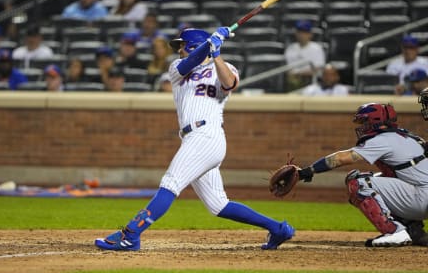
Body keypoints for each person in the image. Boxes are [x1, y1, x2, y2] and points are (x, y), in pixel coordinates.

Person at [95, 27, 295, 251]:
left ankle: (130, 235)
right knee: (218, 205)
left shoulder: (226, 67)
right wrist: (210, 44)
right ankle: (278, 228)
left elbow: (229, 84)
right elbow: (187, 63)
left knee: (170, 183)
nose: (179, 49)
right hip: (195, 138)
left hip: (206, 136)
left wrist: (216, 53)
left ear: (191, 45)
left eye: (182, 45)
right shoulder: (176, 70)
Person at [295, 102, 428, 246]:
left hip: (420, 198)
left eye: (365, 121)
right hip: (422, 196)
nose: (362, 126)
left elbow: (341, 158)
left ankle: (394, 231)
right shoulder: (406, 136)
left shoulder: (383, 139)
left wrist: (307, 172)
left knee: (358, 182)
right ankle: (414, 232)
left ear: (375, 121)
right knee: (381, 178)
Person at [284, 20, 326, 91]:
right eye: (299, 32)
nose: (301, 35)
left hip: (312, 83)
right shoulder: (290, 48)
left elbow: (318, 69)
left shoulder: (316, 48)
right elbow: (288, 69)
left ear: (310, 34)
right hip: (293, 83)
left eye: (304, 32)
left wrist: (300, 74)